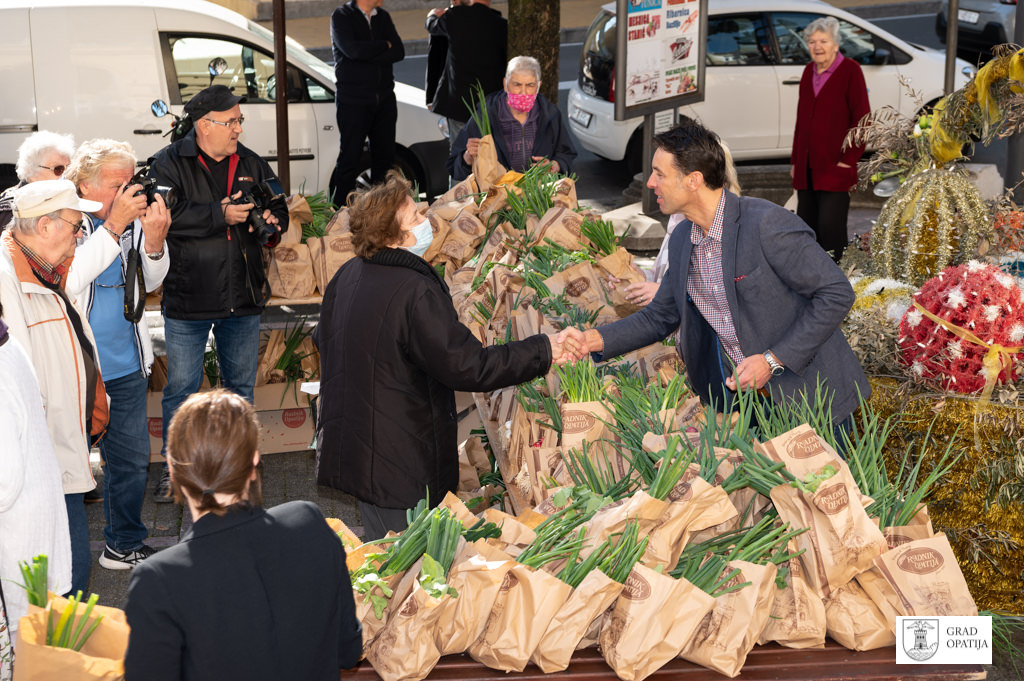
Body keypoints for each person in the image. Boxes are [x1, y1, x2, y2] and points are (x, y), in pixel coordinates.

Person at [563, 122, 870, 436]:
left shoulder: (766, 224)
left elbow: (836, 293)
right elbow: (660, 317)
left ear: (694, 180)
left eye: (660, 173)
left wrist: (771, 360)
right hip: (752, 405)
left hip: (811, 397)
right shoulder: (684, 238)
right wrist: (589, 341)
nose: (651, 182)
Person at [314, 171, 573, 539]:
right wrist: (543, 349)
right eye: (415, 218)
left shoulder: (349, 274)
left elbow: (323, 337)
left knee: (380, 552)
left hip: (357, 450)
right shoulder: (413, 290)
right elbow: (469, 366)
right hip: (399, 461)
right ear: (392, 234)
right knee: (408, 564)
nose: (426, 221)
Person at [123, 390, 362, 681]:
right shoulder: (309, 523)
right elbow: (348, 651)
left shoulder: (159, 580)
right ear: (253, 463)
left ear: (172, 471)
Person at [148, 84, 288, 501]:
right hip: (189, 296)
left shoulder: (251, 162)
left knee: (240, 389)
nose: (238, 130)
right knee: (182, 391)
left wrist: (272, 219)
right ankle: (176, 472)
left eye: (239, 121)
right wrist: (219, 215)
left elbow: (278, 202)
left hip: (242, 295)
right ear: (204, 126)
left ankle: (240, 470)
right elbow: (162, 216)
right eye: (231, 122)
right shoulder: (168, 162)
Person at [65, 139, 171, 569]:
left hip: (126, 367)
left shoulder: (128, 225)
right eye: (117, 183)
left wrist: (155, 243)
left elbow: (152, 280)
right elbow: (72, 279)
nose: (130, 192)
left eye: (133, 181)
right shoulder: (67, 223)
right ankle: (59, 553)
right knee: (69, 467)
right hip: (80, 372)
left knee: (129, 465)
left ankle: (122, 544)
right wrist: (113, 226)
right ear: (84, 185)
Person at [0, 179, 108, 595]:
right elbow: (19, 384)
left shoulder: (48, 267)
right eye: (76, 224)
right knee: (63, 577)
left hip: (64, 446)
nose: (81, 233)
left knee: (67, 572)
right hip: (40, 457)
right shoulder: (8, 279)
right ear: (45, 226)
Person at [0, 298, 73, 642]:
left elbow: (3, 482)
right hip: (30, 545)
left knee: (27, 657)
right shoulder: (7, 345)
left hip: (17, 551)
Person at [790, 16, 869, 264]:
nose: (817, 46)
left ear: (836, 44)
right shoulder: (807, 71)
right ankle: (811, 277)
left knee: (830, 229)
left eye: (823, 41)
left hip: (836, 165)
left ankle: (837, 280)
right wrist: (795, 160)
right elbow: (801, 121)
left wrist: (849, 160)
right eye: (812, 42)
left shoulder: (850, 71)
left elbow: (863, 120)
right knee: (807, 227)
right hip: (807, 166)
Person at [448, 55, 577, 181]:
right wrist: (468, 158)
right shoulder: (485, 116)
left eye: (530, 85)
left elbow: (566, 153)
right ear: (505, 84)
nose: (523, 92)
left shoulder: (550, 115)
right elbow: (454, 167)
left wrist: (555, 165)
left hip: (538, 197)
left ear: (538, 86)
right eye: (517, 84)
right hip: (498, 197)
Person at [329, 0, 405, 206]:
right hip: (353, 101)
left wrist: (367, 53)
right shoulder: (341, 16)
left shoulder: (383, 17)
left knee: (385, 159)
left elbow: (399, 51)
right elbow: (352, 50)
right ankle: (337, 213)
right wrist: (382, 45)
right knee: (349, 158)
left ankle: (381, 212)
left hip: (385, 100)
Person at [426, 0, 508, 144]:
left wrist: (431, 16)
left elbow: (433, 27)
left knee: (460, 155)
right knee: (490, 154)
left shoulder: (454, 17)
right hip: (490, 105)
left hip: (459, 105)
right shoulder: (500, 25)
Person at [0, 131, 76, 233]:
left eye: (69, 168)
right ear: (31, 169)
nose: (65, 176)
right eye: (58, 169)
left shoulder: (65, 198)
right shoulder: (12, 210)